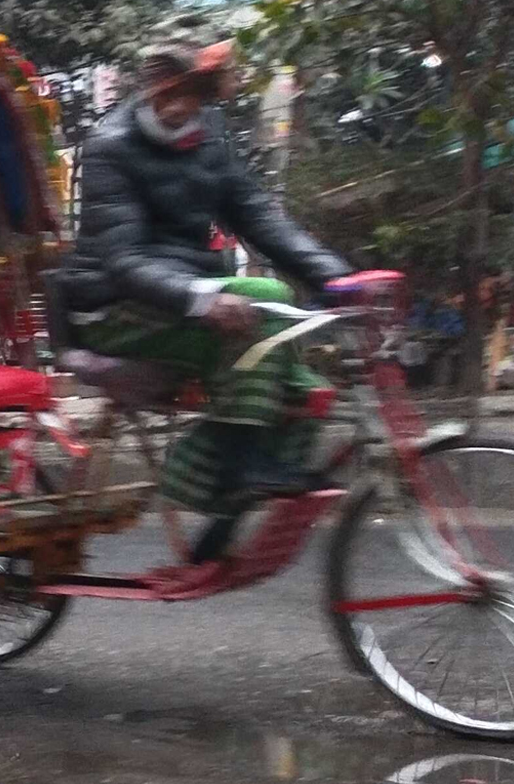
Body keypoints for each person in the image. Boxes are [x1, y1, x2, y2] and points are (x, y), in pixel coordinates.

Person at [63, 28, 354, 563]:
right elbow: (123, 261)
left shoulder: (210, 136)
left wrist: (337, 280)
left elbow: (258, 215)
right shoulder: (110, 148)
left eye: (194, 95)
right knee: (264, 295)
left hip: (185, 296)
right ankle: (231, 472)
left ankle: (225, 514)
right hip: (112, 306)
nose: (180, 107)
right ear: (148, 91)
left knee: (304, 389)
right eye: (169, 94)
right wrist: (203, 298)